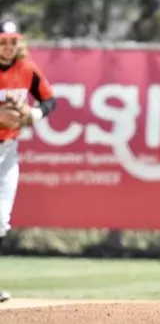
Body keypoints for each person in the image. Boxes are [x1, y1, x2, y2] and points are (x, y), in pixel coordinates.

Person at [0, 19, 58, 303]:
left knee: (0, 220)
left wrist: (34, 115)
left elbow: (49, 100)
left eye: (13, 41)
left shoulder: (27, 69)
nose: (8, 46)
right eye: (3, 41)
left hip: (8, 150)